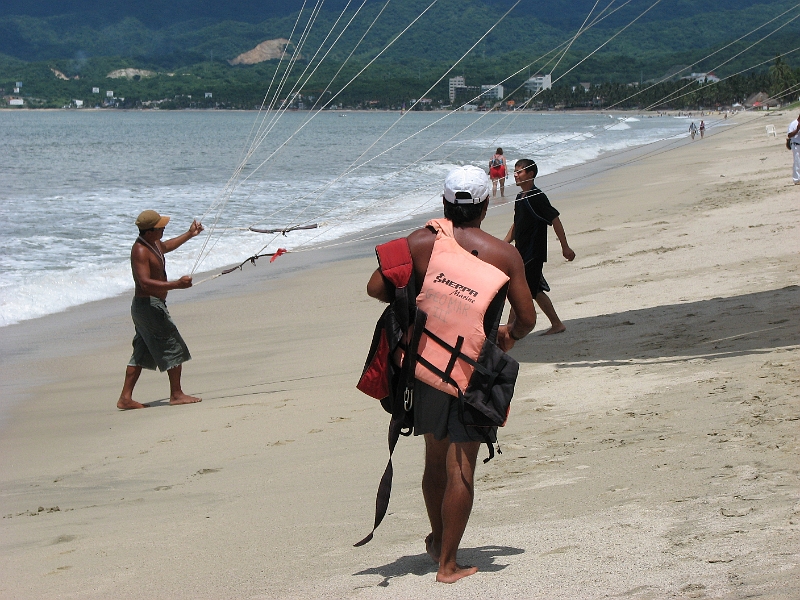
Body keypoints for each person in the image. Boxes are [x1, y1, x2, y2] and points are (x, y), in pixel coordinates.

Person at [366, 165, 536, 583]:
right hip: (472, 371)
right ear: (483, 205)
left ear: (444, 203)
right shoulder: (503, 253)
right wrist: (508, 335)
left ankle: (438, 540)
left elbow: (375, 287)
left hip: (423, 366)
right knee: (463, 466)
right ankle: (448, 564)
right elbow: (527, 318)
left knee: (435, 459)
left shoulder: (421, 241)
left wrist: (414, 300)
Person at [117, 210, 204, 410]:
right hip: (148, 306)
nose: (164, 228)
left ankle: (125, 398)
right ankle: (176, 394)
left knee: (141, 352)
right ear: (149, 231)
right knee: (173, 344)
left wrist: (190, 234)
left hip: (149, 307)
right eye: (160, 227)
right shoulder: (139, 250)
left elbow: (165, 247)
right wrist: (177, 285)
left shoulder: (153, 243)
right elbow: (145, 283)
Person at [504, 159, 575, 335]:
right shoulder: (521, 197)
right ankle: (556, 324)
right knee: (533, 290)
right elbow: (517, 224)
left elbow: (555, 219)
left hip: (533, 252)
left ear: (531, 174)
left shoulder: (536, 196)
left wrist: (565, 247)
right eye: (514, 171)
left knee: (520, 290)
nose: (515, 175)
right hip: (522, 251)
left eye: (519, 172)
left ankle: (509, 331)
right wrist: (504, 244)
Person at [787, 112, 800, 185]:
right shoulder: (793, 124)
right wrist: (797, 129)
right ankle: (797, 179)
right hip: (796, 145)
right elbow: (789, 135)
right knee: (797, 162)